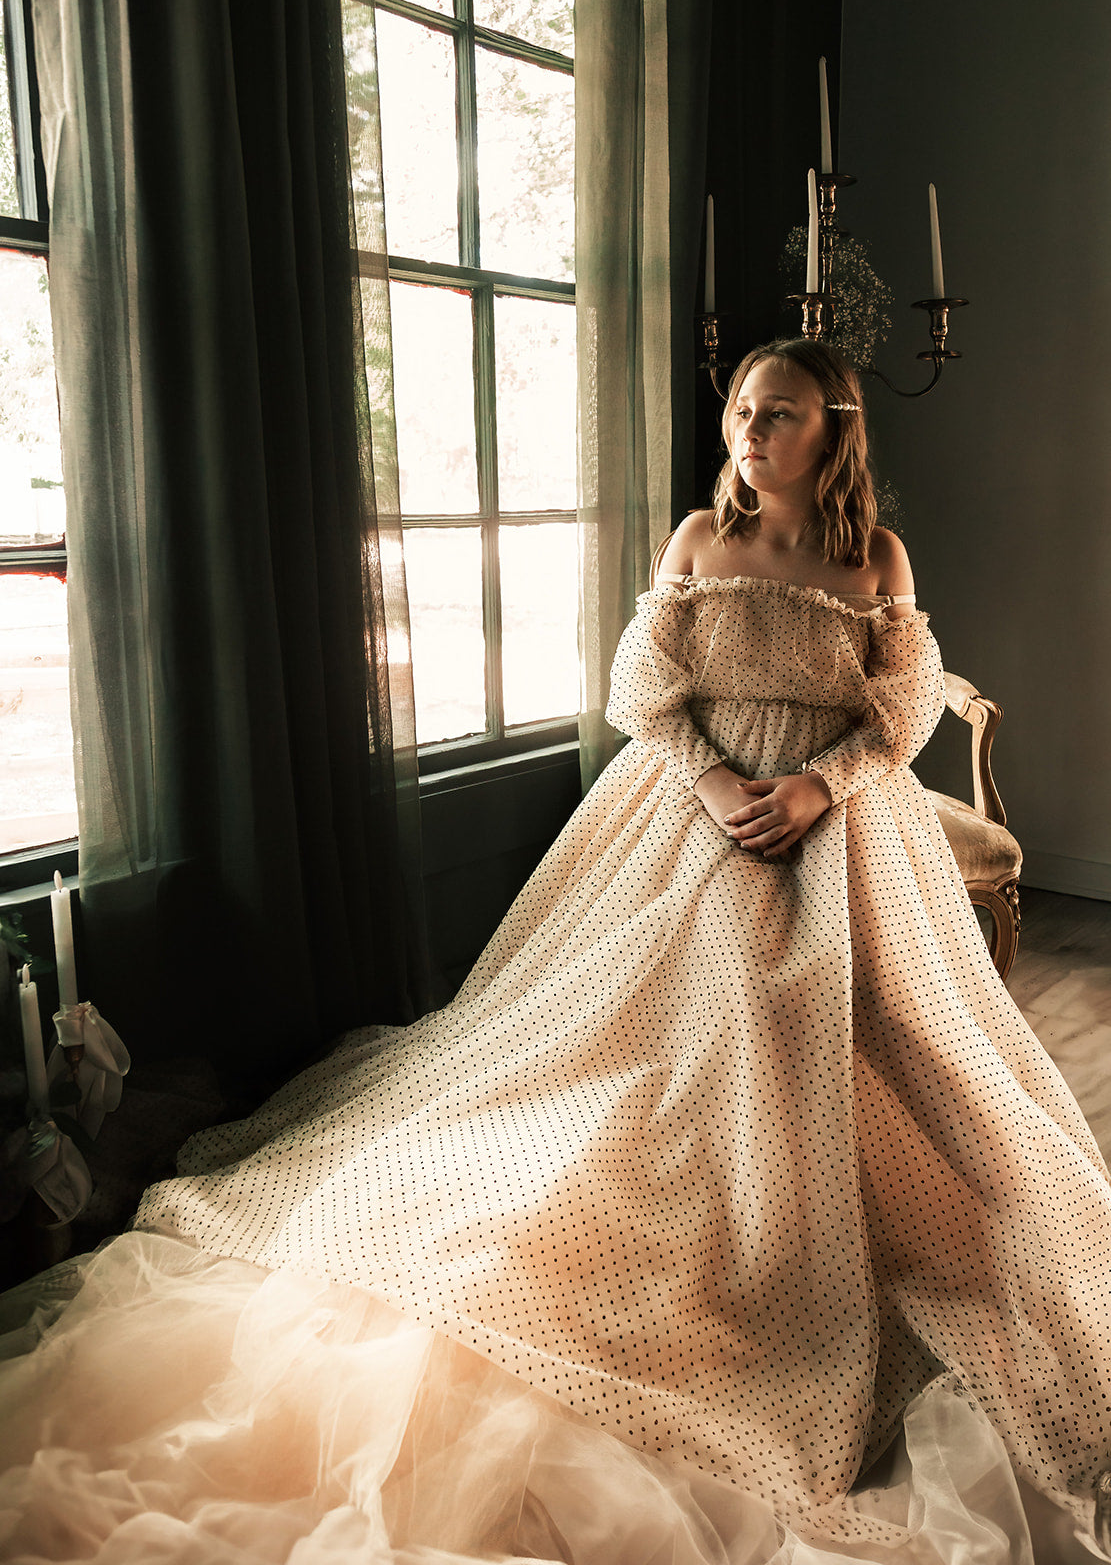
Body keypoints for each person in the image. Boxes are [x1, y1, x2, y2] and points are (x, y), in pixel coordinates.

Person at [2, 339, 1110, 1565]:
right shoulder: (698, 538)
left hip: (832, 824)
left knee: (880, 1042)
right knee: (637, 1044)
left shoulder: (874, 559)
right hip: (688, 814)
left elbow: (904, 710)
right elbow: (645, 687)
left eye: (777, 412)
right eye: (739, 407)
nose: (748, 428)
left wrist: (813, 788)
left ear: (833, 428)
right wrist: (707, 783)